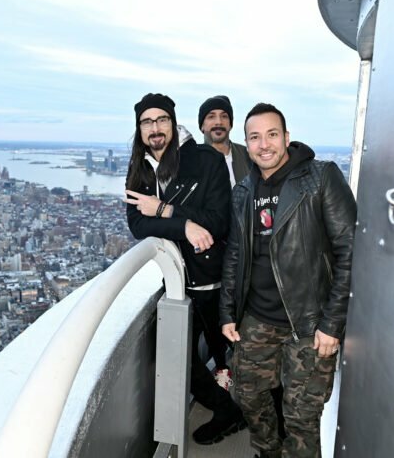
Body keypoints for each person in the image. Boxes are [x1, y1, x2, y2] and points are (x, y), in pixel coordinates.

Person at [219, 103, 357, 458]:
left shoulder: (320, 177)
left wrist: (332, 323)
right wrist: (227, 313)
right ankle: (268, 451)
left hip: (309, 324)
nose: (264, 144)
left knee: (301, 417)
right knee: (247, 394)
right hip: (257, 318)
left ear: (287, 137)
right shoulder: (244, 191)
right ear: (246, 144)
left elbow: (351, 251)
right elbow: (235, 253)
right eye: (255, 137)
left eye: (272, 134)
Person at [125, 92, 246, 445]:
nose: (155, 128)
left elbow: (218, 223)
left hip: (211, 278)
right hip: (176, 280)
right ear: (139, 129)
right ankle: (228, 411)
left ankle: (248, 416)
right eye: (147, 122)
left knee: (234, 351)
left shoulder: (205, 162)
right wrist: (185, 227)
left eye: (161, 120)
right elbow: (137, 224)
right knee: (182, 359)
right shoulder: (140, 169)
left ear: (173, 124)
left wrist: (164, 211)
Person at [199, 95, 287, 439]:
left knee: (262, 349)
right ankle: (232, 407)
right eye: (211, 117)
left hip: (256, 265)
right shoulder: (194, 161)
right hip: (212, 264)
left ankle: (271, 416)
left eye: (224, 116)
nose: (217, 122)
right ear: (203, 124)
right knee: (223, 340)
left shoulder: (247, 155)